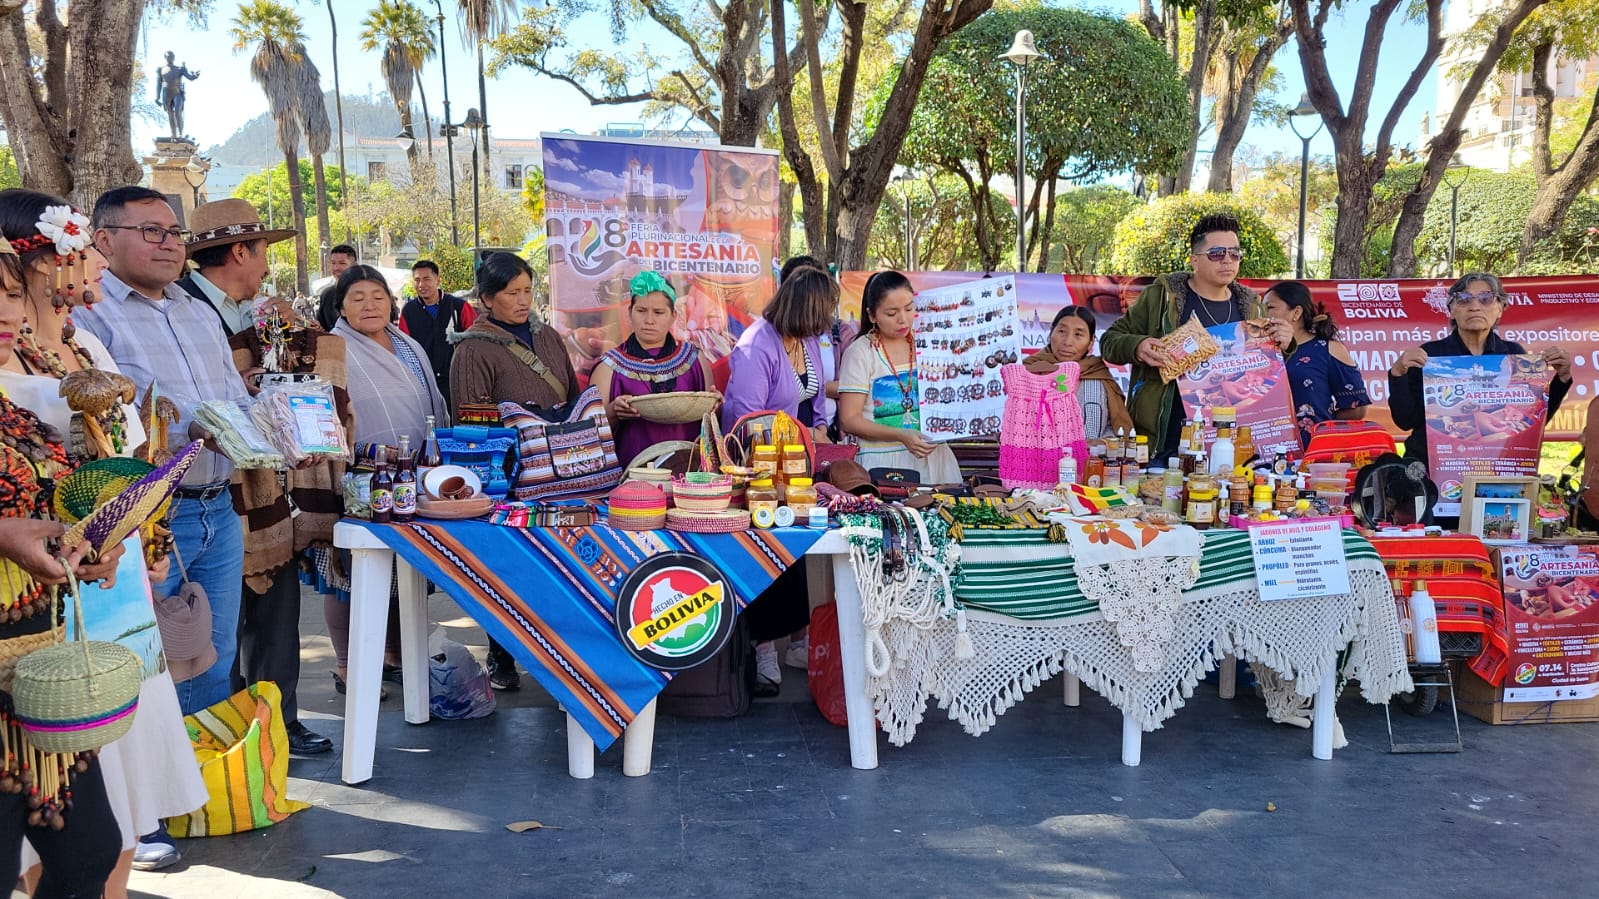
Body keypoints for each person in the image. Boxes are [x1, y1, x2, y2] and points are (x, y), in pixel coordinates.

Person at [0, 190, 206, 887]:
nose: (89, 261)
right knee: (41, 830)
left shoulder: (81, 345)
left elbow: (121, 453)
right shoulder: (13, 363)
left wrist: (126, 521)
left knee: (99, 823)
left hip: (92, 585)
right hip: (32, 610)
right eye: (80, 246)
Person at [77, 187, 252, 718]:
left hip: (218, 507)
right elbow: (99, 423)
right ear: (103, 240)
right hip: (147, 518)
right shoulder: (89, 315)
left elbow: (236, 403)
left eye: (175, 233)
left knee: (213, 656)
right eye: (152, 231)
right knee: (148, 664)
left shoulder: (197, 313)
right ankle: (158, 791)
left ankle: (206, 785)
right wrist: (186, 434)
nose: (170, 244)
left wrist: (285, 432)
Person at [175, 199, 337, 757]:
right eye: (264, 251)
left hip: (267, 488)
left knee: (275, 608)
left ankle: (278, 723)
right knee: (217, 625)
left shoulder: (264, 312)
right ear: (240, 251)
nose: (267, 266)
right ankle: (222, 736)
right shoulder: (185, 307)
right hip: (205, 490)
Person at [0, 237, 123, 899]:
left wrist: (91, 538)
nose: (4, 311)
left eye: (12, 292)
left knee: (88, 851)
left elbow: (50, 500)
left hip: (40, 677)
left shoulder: (18, 404)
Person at [450, 252, 577, 690]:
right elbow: (470, 422)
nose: (522, 301)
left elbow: (575, 398)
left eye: (527, 291)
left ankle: (561, 658)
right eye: (511, 293)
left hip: (562, 473)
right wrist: (522, 422)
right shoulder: (472, 349)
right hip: (510, 477)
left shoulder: (550, 339)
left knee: (558, 569)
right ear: (486, 299)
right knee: (507, 572)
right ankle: (502, 656)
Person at [327, 265, 449, 691]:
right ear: (340, 305)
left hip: (414, 473)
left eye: (377, 295)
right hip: (358, 476)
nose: (369, 305)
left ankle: (396, 653)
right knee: (350, 573)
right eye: (357, 297)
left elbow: (430, 400)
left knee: (404, 568)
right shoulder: (333, 347)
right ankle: (349, 666)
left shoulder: (408, 343)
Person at [721, 266, 837, 693]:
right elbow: (742, 418)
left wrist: (819, 432)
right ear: (807, 308)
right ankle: (762, 647)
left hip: (798, 464)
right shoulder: (757, 345)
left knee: (794, 552)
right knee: (766, 552)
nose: (832, 316)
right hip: (760, 469)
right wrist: (792, 436)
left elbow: (816, 397)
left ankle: (796, 641)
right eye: (826, 307)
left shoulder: (805, 341)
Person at [1099, 213, 1263, 458]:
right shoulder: (1162, 297)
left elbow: (1267, 371)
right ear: (1194, 260)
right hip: (1165, 442)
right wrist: (1138, 346)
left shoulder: (1251, 306)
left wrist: (1285, 344)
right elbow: (1110, 341)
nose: (1228, 260)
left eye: (1235, 253)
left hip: (1228, 444)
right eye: (1217, 253)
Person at [1388, 271, 1572, 472]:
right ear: (1452, 310)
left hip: (1496, 464)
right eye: (1464, 299)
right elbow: (1406, 421)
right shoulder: (1432, 356)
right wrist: (1398, 373)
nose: (1475, 306)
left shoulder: (1513, 355)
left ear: (1500, 308)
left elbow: (1534, 420)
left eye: (1486, 299)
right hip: (1434, 466)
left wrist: (1561, 379)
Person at [838, 270, 959, 483]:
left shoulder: (931, 343)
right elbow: (849, 419)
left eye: (909, 308)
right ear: (872, 315)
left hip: (936, 461)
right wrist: (901, 436)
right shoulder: (862, 352)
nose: (903, 319)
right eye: (892, 314)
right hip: (884, 467)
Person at [590, 271, 715, 467]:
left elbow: (711, 423)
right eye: (641, 311)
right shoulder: (608, 366)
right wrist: (613, 411)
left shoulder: (694, 359)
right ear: (630, 312)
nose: (649, 320)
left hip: (690, 473)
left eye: (658, 313)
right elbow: (590, 432)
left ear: (673, 316)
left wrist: (716, 405)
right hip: (631, 476)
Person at [1262, 281, 1370, 448]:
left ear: (1296, 312)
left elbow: (1357, 408)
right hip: (1266, 451)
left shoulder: (1328, 349)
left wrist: (1320, 425)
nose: (1264, 316)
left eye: (1270, 308)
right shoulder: (1260, 352)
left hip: (1314, 453)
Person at [175, 198, 296, 338]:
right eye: (264, 254)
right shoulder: (174, 306)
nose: (267, 270)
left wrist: (286, 331)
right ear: (240, 253)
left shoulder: (258, 309)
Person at [1023, 305, 1135, 441]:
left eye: (1078, 334)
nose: (1067, 342)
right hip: (1038, 459)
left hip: (1089, 460)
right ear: (1051, 333)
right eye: (1062, 331)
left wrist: (1100, 444)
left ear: (1091, 342)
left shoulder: (1099, 376)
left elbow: (1117, 427)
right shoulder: (1028, 371)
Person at [781, 255, 855, 438]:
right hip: (782, 438)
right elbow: (750, 416)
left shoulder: (834, 333)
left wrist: (820, 431)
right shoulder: (765, 340)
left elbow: (857, 385)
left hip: (825, 432)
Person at [399, 259, 476, 402]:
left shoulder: (459, 307)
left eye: (426, 279)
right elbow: (404, 347)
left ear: (438, 280)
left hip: (455, 379)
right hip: (423, 380)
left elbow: (474, 342)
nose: (421, 284)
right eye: (417, 280)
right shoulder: (409, 311)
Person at [315, 244, 358, 331]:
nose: (336, 268)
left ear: (354, 265)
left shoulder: (366, 291)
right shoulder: (326, 295)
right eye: (333, 263)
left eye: (342, 263)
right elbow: (323, 325)